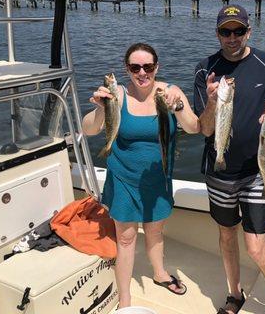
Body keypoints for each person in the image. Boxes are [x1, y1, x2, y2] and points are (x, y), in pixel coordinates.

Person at [194, 5, 265, 314]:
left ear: (249, 32)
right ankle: (234, 294)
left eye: (239, 31)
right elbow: (204, 129)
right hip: (219, 171)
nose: (232, 37)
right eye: (226, 31)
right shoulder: (206, 70)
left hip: (256, 171)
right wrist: (212, 100)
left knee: (255, 245)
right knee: (227, 236)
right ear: (217, 34)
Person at [82, 42, 200, 308]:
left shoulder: (170, 92)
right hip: (123, 177)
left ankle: (159, 274)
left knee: (156, 231)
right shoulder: (118, 95)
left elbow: (193, 128)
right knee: (126, 237)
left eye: (148, 66)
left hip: (158, 179)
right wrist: (101, 108)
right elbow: (88, 130)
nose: (142, 72)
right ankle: (125, 296)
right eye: (135, 67)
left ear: (156, 67)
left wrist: (179, 106)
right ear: (128, 69)